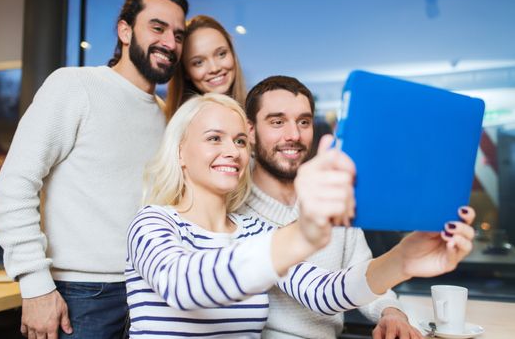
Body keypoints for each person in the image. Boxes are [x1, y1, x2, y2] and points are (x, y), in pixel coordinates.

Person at [126, 92, 475, 338]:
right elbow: (185, 286)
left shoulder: (255, 232)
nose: (231, 151)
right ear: (180, 153)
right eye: (214, 138)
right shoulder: (153, 222)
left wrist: (403, 259)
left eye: (239, 141)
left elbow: (325, 292)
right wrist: (304, 232)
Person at [0, 0, 188, 338]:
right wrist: (36, 285)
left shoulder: (165, 117)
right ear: (125, 31)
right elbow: (14, 185)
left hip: (148, 294)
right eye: (157, 28)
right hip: (77, 296)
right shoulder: (74, 85)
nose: (169, 42)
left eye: (178, 35)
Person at [239, 75, 424, 339]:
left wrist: (391, 312)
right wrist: (404, 259)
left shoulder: (334, 198)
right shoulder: (234, 212)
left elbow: (364, 275)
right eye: (277, 122)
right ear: (250, 130)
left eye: (303, 122)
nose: (293, 135)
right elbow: (324, 291)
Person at [165, 14, 247, 119]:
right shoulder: (184, 126)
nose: (214, 68)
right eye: (198, 62)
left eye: (221, 54)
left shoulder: (256, 114)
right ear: (185, 72)